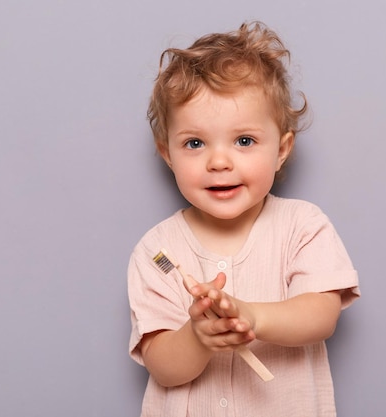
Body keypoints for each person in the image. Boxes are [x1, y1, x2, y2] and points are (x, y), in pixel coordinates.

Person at [127, 21, 360, 417]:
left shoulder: (302, 226)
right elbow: (162, 367)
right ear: (167, 153)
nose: (219, 162)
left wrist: (253, 315)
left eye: (245, 141)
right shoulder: (157, 251)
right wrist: (197, 337)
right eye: (195, 143)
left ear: (282, 149)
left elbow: (321, 315)